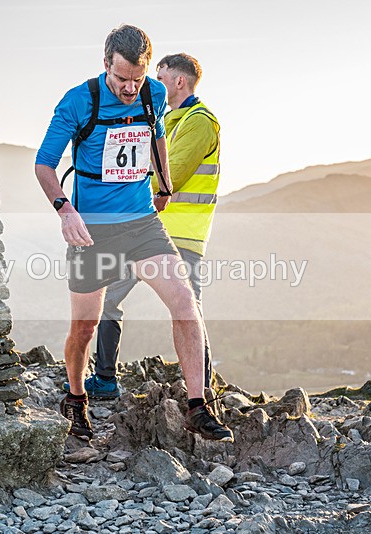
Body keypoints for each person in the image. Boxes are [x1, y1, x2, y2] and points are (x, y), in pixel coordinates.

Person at [35, 25, 232, 442]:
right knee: (84, 328)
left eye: (137, 79)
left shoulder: (154, 95)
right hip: (92, 231)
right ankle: (75, 399)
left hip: (142, 223)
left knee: (184, 301)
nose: (129, 88)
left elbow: (156, 133)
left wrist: (163, 183)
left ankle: (198, 405)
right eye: (121, 78)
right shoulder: (78, 101)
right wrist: (64, 210)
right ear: (105, 62)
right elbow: (44, 164)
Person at [78, 54, 229, 434]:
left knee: (187, 311)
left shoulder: (200, 122)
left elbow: (170, 176)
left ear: (179, 82)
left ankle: (202, 402)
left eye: (159, 77)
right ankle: (105, 380)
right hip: (142, 230)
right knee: (107, 298)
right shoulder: (160, 117)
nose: (151, 84)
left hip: (181, 234)